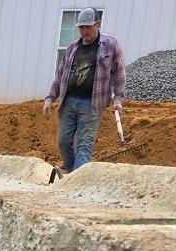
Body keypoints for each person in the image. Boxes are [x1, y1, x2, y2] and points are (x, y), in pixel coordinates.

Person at [43, 8, 126, 172]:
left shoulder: (110, 45)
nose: (85, 31)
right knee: (63, 141)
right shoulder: (73, 48)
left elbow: (119, 73)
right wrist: (50, 98)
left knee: (84, 143)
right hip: (69, 101)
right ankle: (74, 174)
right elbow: (59, 76)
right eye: (81, 28)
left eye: (88, 27)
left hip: (92, 103)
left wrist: (117, 99)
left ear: (97, 24)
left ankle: (75, 181)